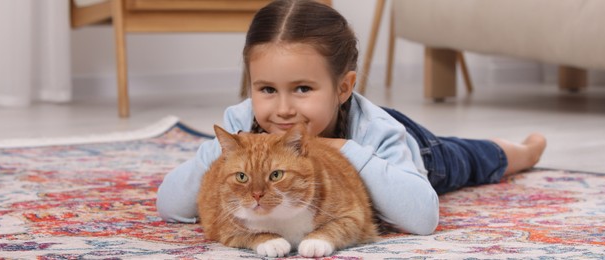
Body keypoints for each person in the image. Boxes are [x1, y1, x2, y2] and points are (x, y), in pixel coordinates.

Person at [156, 0, 546, 235]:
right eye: (267, 90)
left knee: (467, 158)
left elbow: (423, 219)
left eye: (303, 89)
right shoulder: (245, 124)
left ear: (343, 88)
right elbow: (171, 206)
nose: (283, 108)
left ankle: (520, 152)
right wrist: (221, 156)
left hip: (420, 153)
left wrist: (347, 151)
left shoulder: (377, 132)